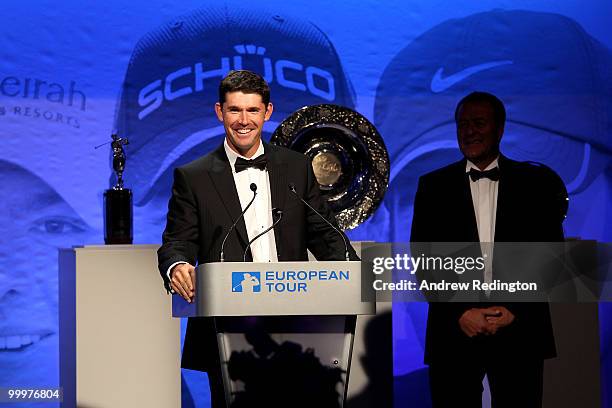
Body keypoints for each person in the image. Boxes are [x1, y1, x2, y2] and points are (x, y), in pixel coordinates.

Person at [157, 70, 358, 407]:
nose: (243, 121)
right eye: (235, 110)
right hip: (228, 332)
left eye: (252, 110)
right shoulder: (193, 177)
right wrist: (176, 265)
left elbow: (323, 232)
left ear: (267, 112)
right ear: (220, 112)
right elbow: (178, 240)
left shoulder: (297, 168)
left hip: (298, 328)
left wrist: (353, 271)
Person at [410, 92, 564, 407]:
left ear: (500, 128)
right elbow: (423, 261)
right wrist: (461, 312)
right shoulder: (432, 186)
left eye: (479, 123)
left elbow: (551, 256)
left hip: (519, 330)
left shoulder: (534, 184)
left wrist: (516, 310)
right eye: (462, 124)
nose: (469, 132)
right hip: (454, 331)